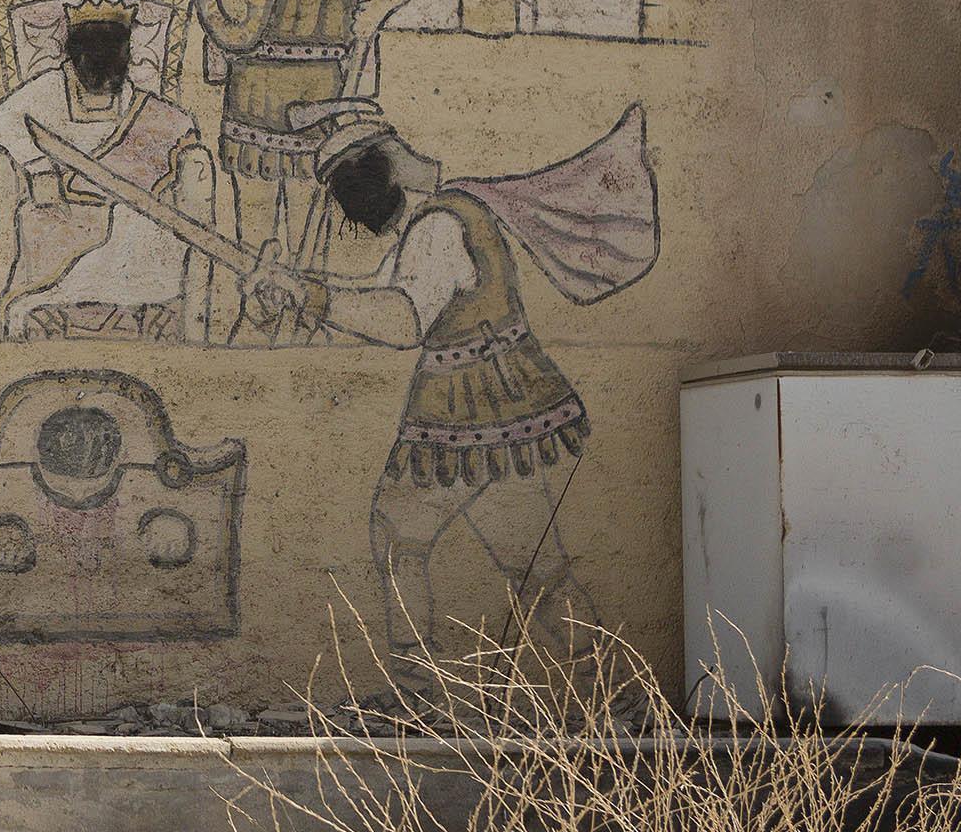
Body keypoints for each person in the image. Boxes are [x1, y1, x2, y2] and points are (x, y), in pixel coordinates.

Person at [251, 99, 658, 671]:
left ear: (380, 167)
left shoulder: (439, 225)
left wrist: (312, 297)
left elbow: (402, 318)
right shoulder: (451, 211)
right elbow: (382, 288)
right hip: (501, 410)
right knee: (533, 564)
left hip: (466, 415)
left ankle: (418, 690)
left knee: (398, 536)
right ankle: (608, 688)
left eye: (349, 187)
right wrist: (301, 286)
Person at [192, 0, 416, 336]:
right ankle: (260, 314)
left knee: (315, 218)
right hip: (256, 94)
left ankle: (308, 313)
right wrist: (223, 60)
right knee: (257, 219)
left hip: (327, 97)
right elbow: (216, 1)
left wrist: (375, 10)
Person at [0, 2, 210, 339]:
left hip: (133, 215)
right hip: (66, 215)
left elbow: (179, 127)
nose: (103, 66)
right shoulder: (49, 89)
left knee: (145, 229)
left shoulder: (143, 106)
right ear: (75, 56)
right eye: (93, 54)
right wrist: (39, 168)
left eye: (112, 54)